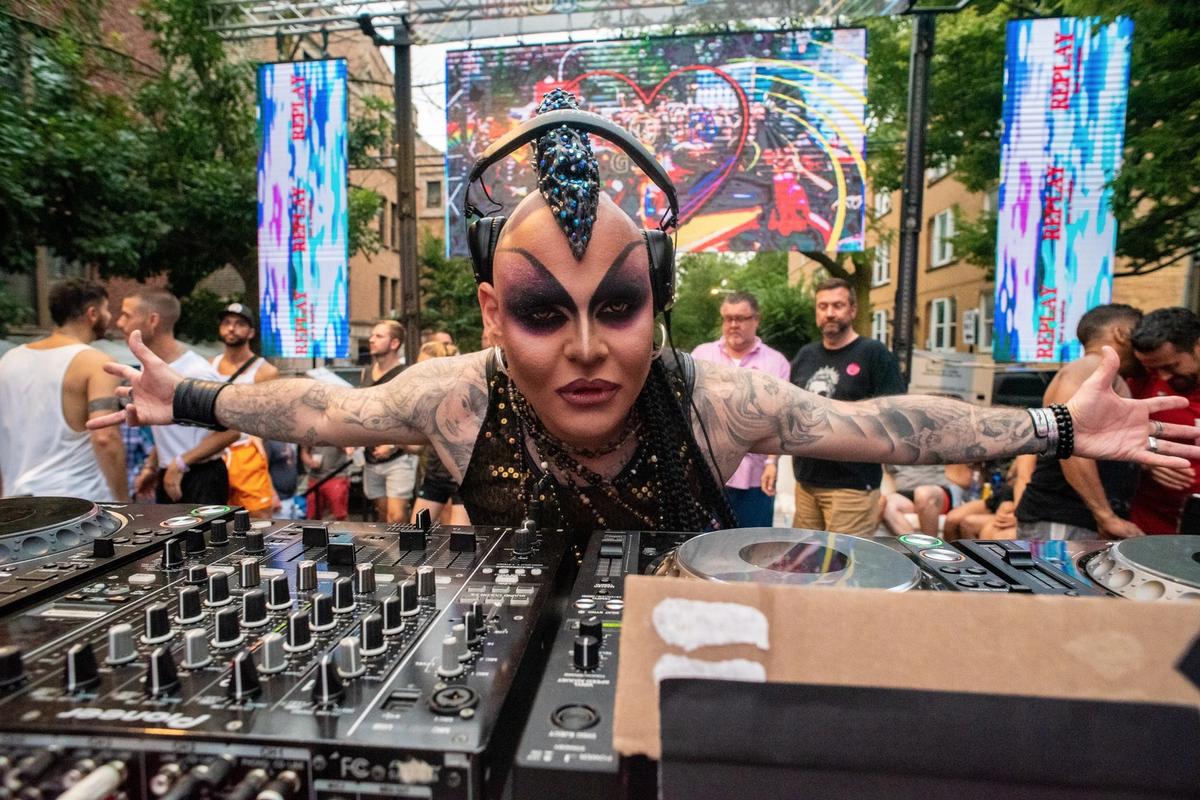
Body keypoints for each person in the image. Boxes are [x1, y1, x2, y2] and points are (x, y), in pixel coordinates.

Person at [91, 90, 1200, 536]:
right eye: (544, 313)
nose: (587, 347)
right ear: (491, 313)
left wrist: (1060, 424)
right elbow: (318, 410)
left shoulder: (714, 401)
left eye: (617, 306)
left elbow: (887, 426)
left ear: (658, 303)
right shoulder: (451, 399)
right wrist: (185, 395)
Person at [788, 278, 907, 536]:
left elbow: (895, 414)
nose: (829, 313)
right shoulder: (805, 355)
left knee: (844, 561)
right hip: (807, 482)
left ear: (852, 310)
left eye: (838, 305)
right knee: (803, 558)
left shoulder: (873, 354)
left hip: (853, 486)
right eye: (823, 306)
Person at [1016, 304, 1144, 539]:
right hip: (1062, 518)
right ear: (1121, 333)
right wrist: (1106, 516)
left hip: (1071, 519)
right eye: (1139, 333)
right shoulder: (1092, 367)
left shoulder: (1104, 374)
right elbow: (1069, 438)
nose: (1143, 343)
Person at [0, 278, 128, 501]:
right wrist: (123, 500)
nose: (110, 317)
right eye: (107, 309)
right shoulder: (98, 363)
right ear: (92, 313)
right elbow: (105, 437)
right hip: (76, 500)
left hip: (17, 500)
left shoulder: (8, 360)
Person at [115, 289, 239, 504]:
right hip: (170, 472)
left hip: (200, 476)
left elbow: (231, 431)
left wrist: (181, 463)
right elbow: (174, 432)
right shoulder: (153, 368)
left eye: (127, 315)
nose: (119, 323)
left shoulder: (196, 372)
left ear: (153, 320)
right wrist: (152, 466)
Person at [692, 291, 791, 526]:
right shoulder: (701, 356)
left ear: (756, 319)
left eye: (740, 318)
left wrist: (772, 463)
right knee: (704, 543)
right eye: (728, 318)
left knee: (752, 543)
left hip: (756, 476)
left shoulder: (776, 363)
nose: (733, 325)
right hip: (708, 475)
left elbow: (781, 418)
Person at [1128, 307, 1200, 533]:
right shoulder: (1139, 382)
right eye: (1153, 368)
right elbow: (1110, 438)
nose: (1163, 376)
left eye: (1171, 366)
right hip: (1149, 526)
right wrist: (1144, 460)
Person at [212, 302, 279, 518]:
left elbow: (268, 419)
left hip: (246, 451)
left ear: (251, 332)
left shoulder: (265, 371)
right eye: (226, 322)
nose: (231, 328)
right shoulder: (209, 366)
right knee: (213, 521)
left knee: (257, 520)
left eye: (240, 324)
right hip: (211, 452)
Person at [360, 321, 420, 522]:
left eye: (379, 336)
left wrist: (393, 444)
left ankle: (405, 544)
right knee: (382, 514)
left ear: (394, 343)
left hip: (399, 456)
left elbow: (413, 417)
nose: (371, 340)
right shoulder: (366, 372)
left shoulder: (405, 374)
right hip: (371, 456)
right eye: (372, 335)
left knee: (396, 516)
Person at [411, 340, 470, 525]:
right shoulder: (424, 397)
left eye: (423, 365)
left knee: (458, 534)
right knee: (415, 531)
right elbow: (417, 446)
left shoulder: (460, 394)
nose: (417, 370)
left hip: (462, 475)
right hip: (436, 473)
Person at [880, 463, 973, 537]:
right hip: (905, 493)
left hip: (938, 490)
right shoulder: (891, 448)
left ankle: (931, 547)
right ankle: (917, 546)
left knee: (923, 493)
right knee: (885, 503)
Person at [301, 445, 351, 521]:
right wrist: (309, 462)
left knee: (340, 515)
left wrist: (342, 445)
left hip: (336, 476)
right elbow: (304, 452)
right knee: (313, 514)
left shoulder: (340, 436)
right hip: (314, 478)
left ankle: (340, 529)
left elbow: (349, 450)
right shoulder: (310, 437)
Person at [266, 440, 302, 519]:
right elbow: (264, 470)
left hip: (292, 496)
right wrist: (273, 496)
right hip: (279, 499)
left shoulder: (291, 441)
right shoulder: (270, 442)